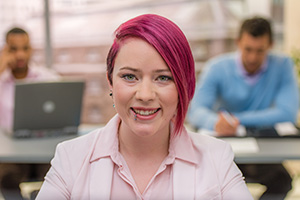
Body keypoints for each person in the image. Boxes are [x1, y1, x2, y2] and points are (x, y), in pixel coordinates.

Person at [36, 14, 253, 199]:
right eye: (130, 76)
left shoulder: (217, 158)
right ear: (110, 81)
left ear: (183, 85)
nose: (145, 95)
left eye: (163, 78)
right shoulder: (71, 158)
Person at [188, 16, 299, 200]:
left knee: (282, 181)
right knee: (212, 186)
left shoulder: (283, 65)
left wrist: (236, 120)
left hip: (263, 151)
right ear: (238, 42)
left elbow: (287, 113)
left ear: (270, 45)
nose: (253, 57)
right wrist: (216, 122)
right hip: (227, 150)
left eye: (260, 51)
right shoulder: (217, 67)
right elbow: (196, 110)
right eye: (248, 49)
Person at [0, 27, 59, 199]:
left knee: (57, 177)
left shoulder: (49, 79)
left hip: (43, 151)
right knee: (6, 179)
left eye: (25, 48)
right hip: (11, 156)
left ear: (31, 49)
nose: (20, 55)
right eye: (13, 49)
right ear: (5, 50)